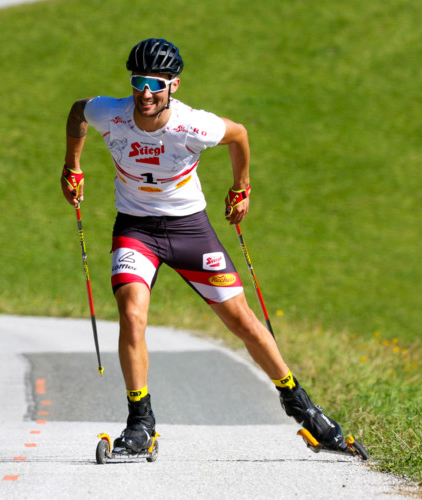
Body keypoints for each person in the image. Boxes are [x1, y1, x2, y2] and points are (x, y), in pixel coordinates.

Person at [61, 38, 349, 455]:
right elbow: (76, 112)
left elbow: (239, 135)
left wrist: (242, 187)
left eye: (155, 84)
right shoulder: (110, 112)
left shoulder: (194, 125)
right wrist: (72, 166)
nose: (145, 93)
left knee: (244, 322)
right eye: (138, 82)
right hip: (136, 231)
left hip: (190, 231)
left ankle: (301, 405)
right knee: (131, 313)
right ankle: (140, 421)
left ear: (173, 85)